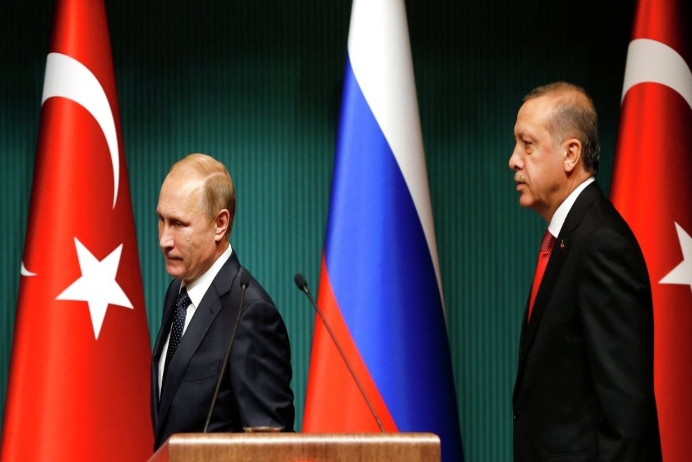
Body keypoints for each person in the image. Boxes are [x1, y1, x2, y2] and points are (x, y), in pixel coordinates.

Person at [509, 82, 661, 461]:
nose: (514, 160)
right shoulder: (570, 237)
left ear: (570, 154)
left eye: (527, 145)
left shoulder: (600, 244)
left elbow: (626, 414)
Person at [150, 153, 295, 450]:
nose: (164, 240)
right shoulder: (177, 292)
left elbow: (273, 449)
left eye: (178, 224)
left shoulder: (251, 315)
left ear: (220, 223)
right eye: (161, 220)